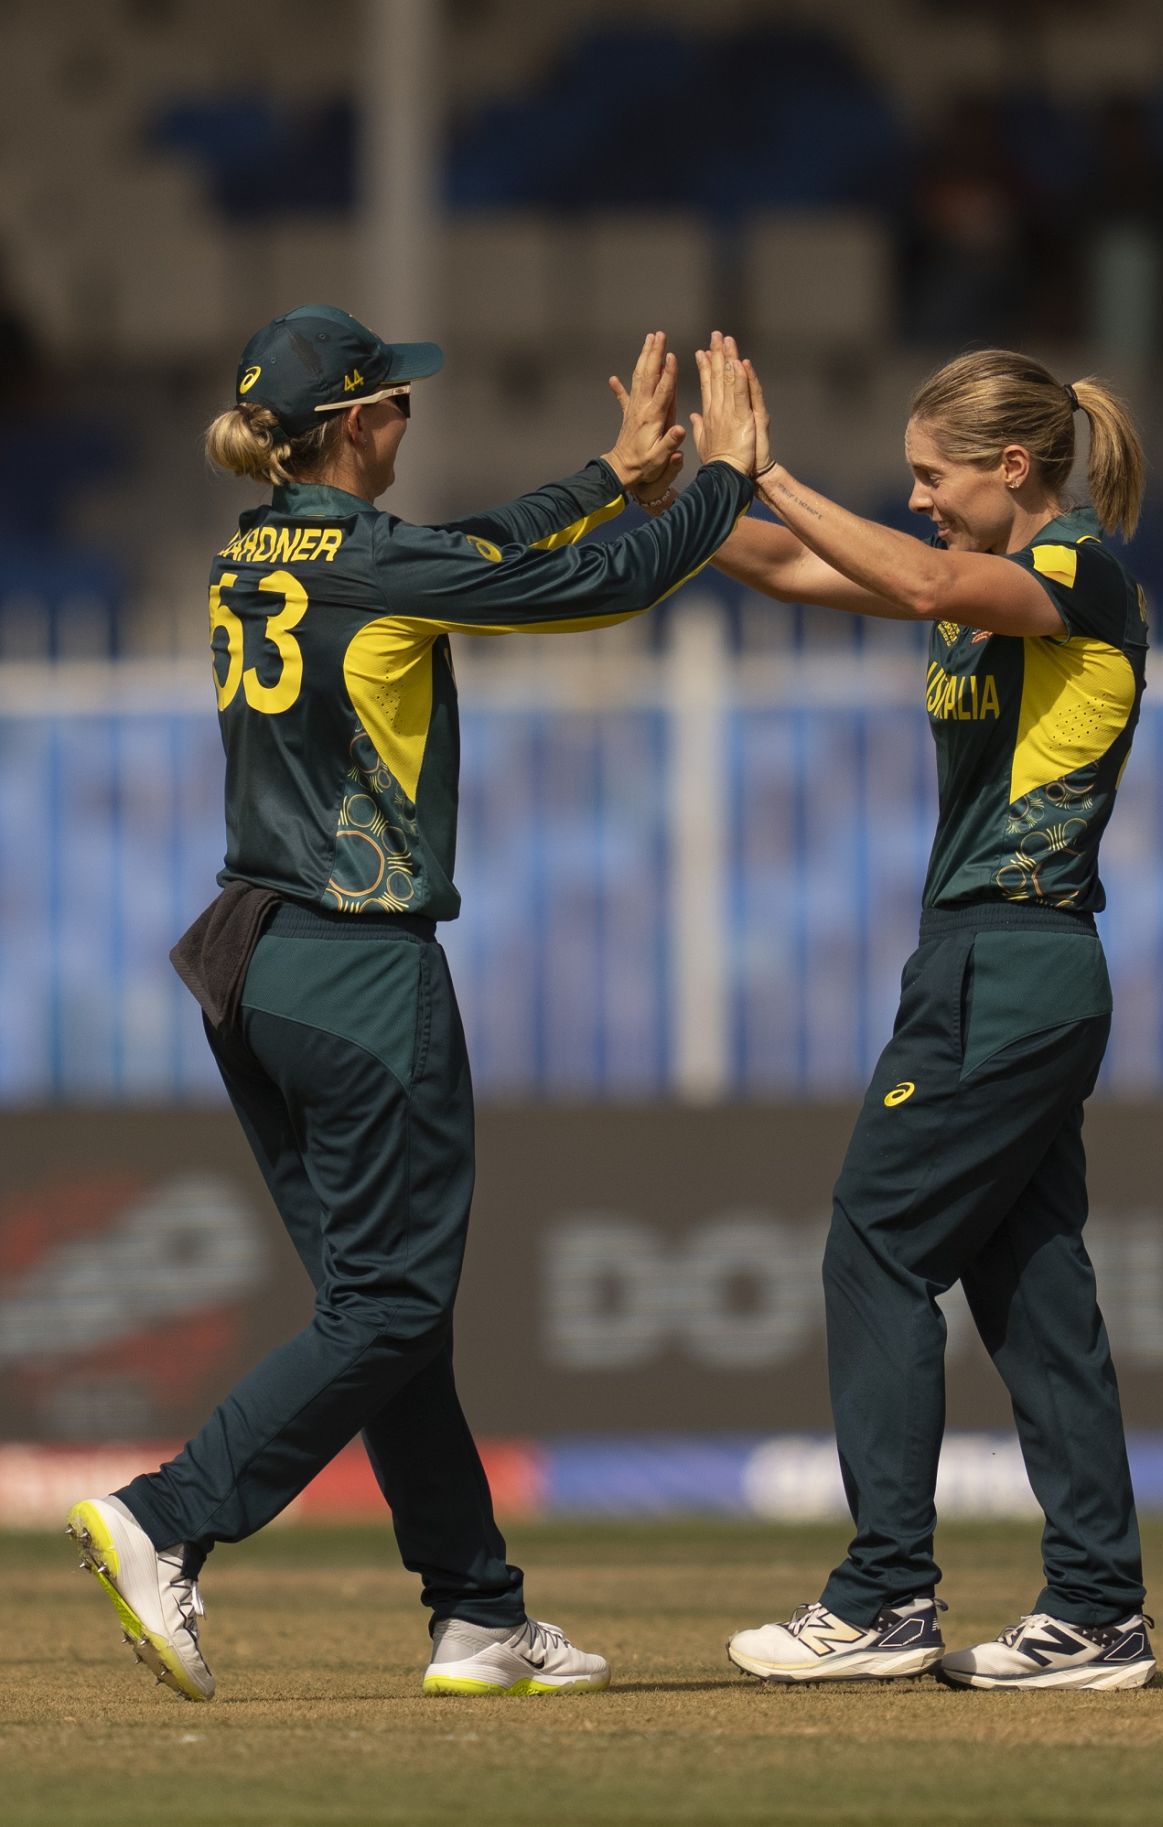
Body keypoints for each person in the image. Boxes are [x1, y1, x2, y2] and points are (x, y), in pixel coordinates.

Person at [67, 307, 757, 1703]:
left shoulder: (253, 549)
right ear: (360, 423)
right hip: (360, 967)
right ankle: (167, 1517)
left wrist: (608, 480)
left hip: (249, 963)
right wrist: (722, 488)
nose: (410, 423)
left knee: (384, 1312)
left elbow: (479, 557)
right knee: (388, 1302)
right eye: (397, 404)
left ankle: (478, 1613)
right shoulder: (373, 566)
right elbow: (586, 595)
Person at [701, 336, 1155, 1691]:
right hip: (989, 965)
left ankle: (885, 1595)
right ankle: (1096, 1614)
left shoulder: (1075, 572)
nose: (915, 498)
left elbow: (920, 570)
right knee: (1032, 1287)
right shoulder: (979, 594)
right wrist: (677, 499)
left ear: (1013, 469)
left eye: (930, 476)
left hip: (1008, 967)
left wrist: (769, 467)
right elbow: (795, 567)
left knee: (876, 1242)